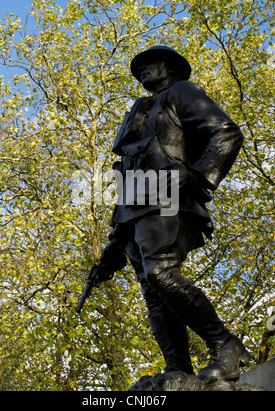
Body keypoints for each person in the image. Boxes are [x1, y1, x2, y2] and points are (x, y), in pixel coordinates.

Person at [96, 45, 250, 382]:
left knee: (160, 273)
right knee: (154, 294)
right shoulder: (138, 110)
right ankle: (178, 368)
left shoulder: (181, 92)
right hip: (134, 212)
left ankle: (225, 344)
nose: (141, 71)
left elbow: (226, 133)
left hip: (170, 197)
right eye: (138, 68)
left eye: (149, 64)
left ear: (171, 66)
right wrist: (114, 244)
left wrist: (198, 175)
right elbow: (128, 175)